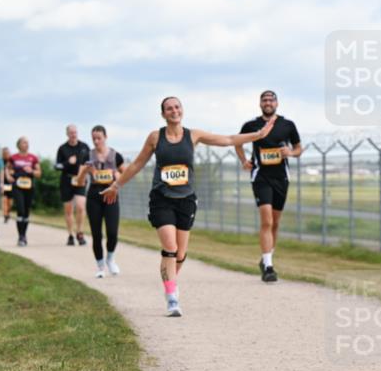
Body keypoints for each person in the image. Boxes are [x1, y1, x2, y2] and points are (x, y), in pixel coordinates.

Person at [101, 96, 276, 316]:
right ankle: (172, 298)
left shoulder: (193, 135)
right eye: (169, 108)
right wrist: (116, 185)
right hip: (161, 198)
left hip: (186, 199)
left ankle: (170, 281)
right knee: (170, 249)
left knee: (181, 254)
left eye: (177, 107)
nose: (174, 111)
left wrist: (258, 135)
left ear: (181, 110)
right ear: (163, 114)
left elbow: (229, 139)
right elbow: (137, 164)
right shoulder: (156, 137)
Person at [234, 90, 302, 283]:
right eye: (264, 100)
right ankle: (269, 267)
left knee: (276, 222)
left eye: (271, 100)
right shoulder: (251, 125)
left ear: (277, 104)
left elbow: (298, 149)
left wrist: (290, 152)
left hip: (281, 178)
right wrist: (244, 160)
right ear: (260, 104)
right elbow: (237, 143)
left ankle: (266, 258)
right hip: (260, 177)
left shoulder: (287, 125)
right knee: (267, 221)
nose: (268, 102)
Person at [75, 126, 126, 278]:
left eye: (99, 138)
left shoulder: (116, 155)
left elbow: (126, 173)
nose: (96, 141)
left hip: (111, 195)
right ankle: (100, 265)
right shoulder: (87, 155)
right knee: (96, 234)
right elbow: (79, 181)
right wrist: (86, 170)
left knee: (112, 233)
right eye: (94, 138)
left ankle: (110, 258)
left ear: (105, 137)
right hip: (94, 196)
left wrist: (117, 175)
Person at [56, 125, 91, 246]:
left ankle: (80, 232)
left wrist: (86, 172)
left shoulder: (84, 147)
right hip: (66, 180)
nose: (73, 134)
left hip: (80, 179)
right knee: (68, 209)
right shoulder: (62, 148)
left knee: (81, 206)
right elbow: (57, 166)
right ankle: (70, 235)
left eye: (75, 132)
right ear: (67, 134)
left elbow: (90, 161)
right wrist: (67, 162)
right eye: (71, 132)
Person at [7, 137, 42, 246]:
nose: (26, 144)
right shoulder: (13, 157)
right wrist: (8, 176)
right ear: (18, 145)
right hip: (17, 187)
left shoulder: (33, 158)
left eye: (27, 142)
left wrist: (31, 170)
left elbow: (39, 173)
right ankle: (21, 236)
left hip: (29, 187)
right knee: (20, 210)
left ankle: (24, 235)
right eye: (24, 142)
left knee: (26, 212)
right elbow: (7, 169)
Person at [0, 146, 13, 223]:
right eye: (4, 153)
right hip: (4, 182)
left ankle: (8, 212)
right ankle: (5, 215)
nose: (6, 154)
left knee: (10, 201)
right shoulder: (0, 161)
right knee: (4, 200)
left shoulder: (12, 161)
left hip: (11, 183)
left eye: (7, 153)